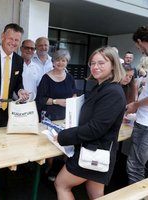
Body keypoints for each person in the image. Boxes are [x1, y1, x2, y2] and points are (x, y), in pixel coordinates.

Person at [55, 46, 126, 199]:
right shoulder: (102, 87)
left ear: (113, 65)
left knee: (61, 185)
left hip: (94, 151)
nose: (95, 67)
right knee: (96, 195)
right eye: (92, 63)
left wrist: (63, 136)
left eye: (101, 63)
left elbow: (95, 129)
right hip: (96, 150)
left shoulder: (112, 92)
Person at [126, 26, 148, 185]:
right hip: (142, 121)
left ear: (140, 41)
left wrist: (135, 105)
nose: (139, 50)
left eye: (138, 46)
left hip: (146, 125)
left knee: (134, 166)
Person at [36, 49, 77, 121]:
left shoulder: (70, 77)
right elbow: (40, 99)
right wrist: (56, 101)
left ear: (67, 62)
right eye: (58, 60)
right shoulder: (46, 78)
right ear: (53, 62)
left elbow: (74, 92)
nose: (60, 63)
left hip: (67, 116)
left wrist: (73, 99)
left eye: (63, 60)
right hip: (50, 117)